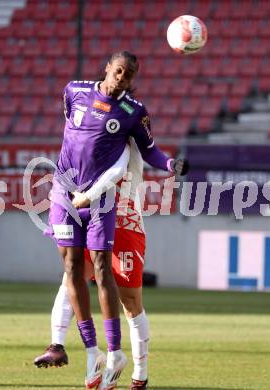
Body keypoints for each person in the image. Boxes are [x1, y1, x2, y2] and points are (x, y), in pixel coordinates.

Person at [44, 50, 188, 389]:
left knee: (131, 301)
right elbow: (72, 123)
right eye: (118, 71)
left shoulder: (132, 118)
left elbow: (148, 153)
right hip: (82, 203)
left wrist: (169, 165)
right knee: (72, 278)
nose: (121, 77)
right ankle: (66, 347)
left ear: (132, 80)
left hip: (123, 216)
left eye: (128, 75)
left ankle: (137, 373)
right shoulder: (76, 92)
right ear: (108, 68)